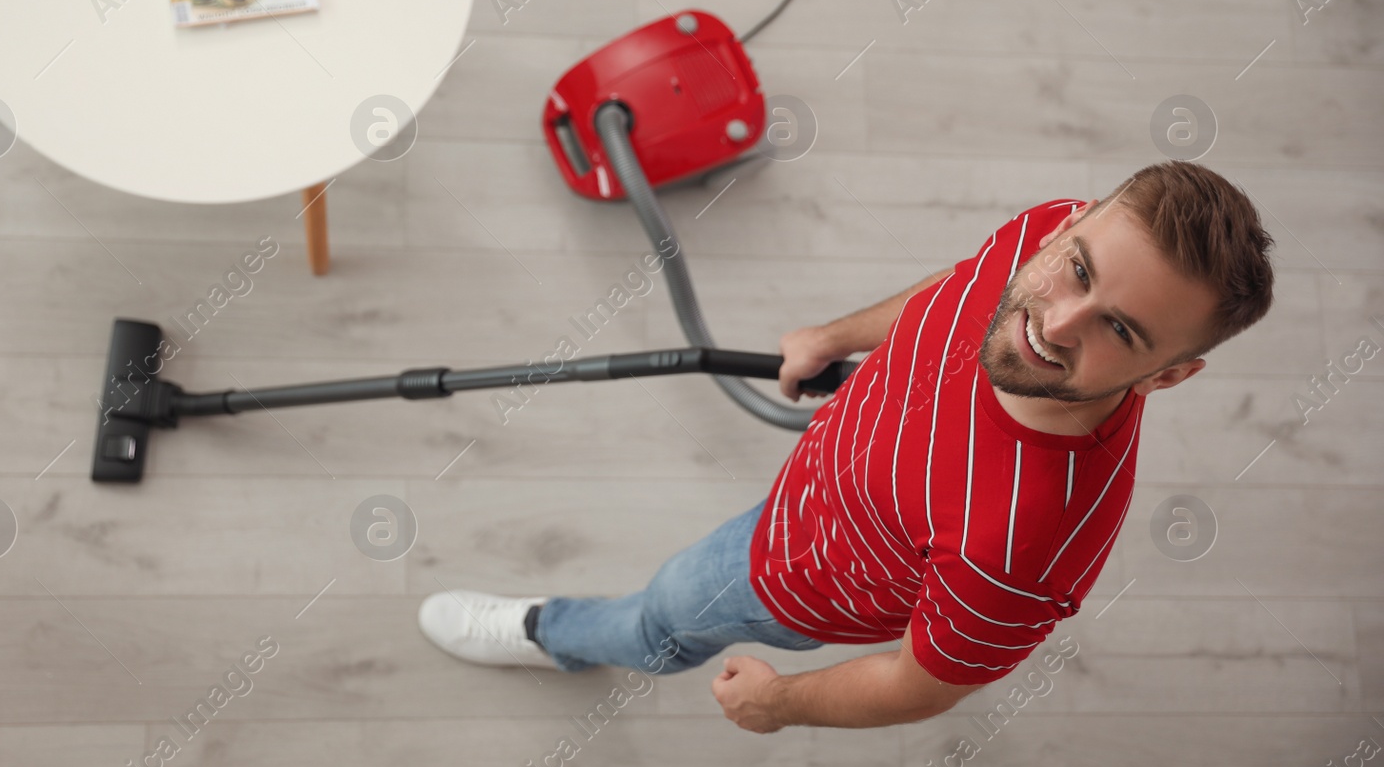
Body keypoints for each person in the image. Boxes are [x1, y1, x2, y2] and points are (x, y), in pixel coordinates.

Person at [417, 161, 1275, 732]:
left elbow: (923, 683)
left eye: (1118, 329)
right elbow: (962, 286)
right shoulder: (1042, 235)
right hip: (831, 473)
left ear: (1167, 376)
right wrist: (838, 336)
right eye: (1077, 270)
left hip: (786, 569)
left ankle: (551, 632)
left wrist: (781, 702)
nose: (1054, 321)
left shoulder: (1019, 547)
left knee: (663, 613)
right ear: (1072, 224)